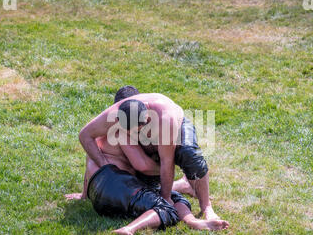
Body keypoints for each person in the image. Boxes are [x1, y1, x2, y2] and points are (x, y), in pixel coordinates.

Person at [79, 87, 223, 221]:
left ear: (146, 120)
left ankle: (207, 207)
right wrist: (105, 167)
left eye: (135, 131)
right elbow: (85, 136)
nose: (130, 135)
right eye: (127, 131)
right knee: (144, 175)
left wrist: (166, 198)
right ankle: (183, 185)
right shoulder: (114, 115)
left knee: (189, 155)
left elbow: (166, 162)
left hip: (175, 127)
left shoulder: (167, 119)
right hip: (138, 130)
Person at [66, 129, 229, 235]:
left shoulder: (96, 134)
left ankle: (193, 218)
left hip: (98, 194)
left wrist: (85, 194)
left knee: (173, 197)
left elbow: (91, 164)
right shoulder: (122, 133)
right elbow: (142, 166)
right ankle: (130, 228)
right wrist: (168, 166)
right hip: (116, 191)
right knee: (166, 207)